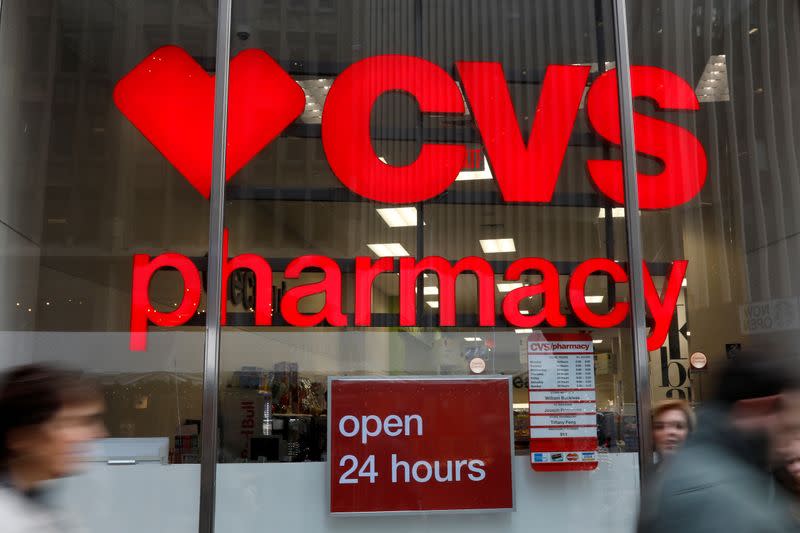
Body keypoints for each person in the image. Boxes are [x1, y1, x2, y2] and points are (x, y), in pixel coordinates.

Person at [638, 351, 800, 533]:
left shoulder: (669, 477)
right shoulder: (744, 507)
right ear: (763, 407)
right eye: (788, 429)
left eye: (678, 426)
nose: (788, 448)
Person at [0, 364, 106, 533]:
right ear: (21, 435)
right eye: (73, 422)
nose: (98, 434)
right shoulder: (7, 518)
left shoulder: (48, 510)